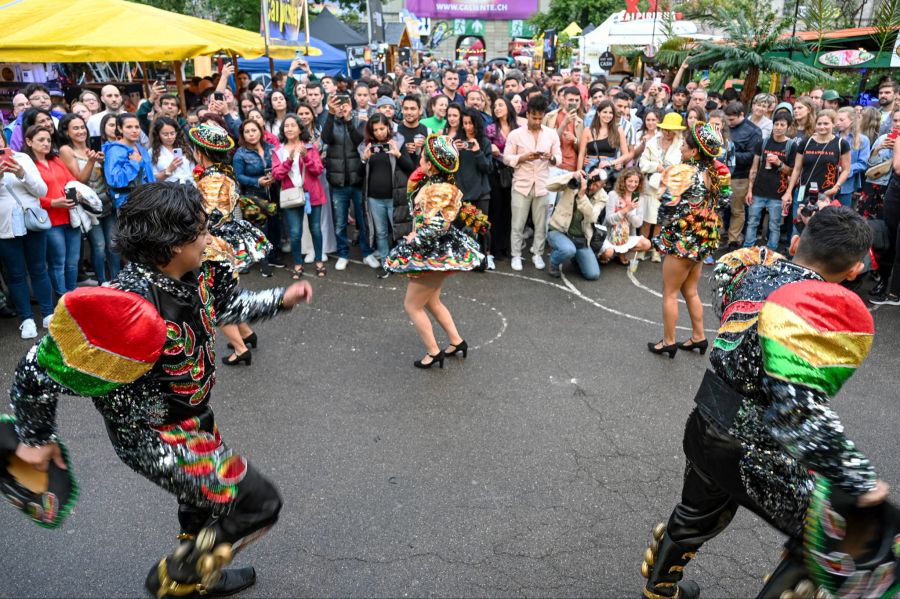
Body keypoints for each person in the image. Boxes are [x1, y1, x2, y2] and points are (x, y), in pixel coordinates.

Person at [8, 181, 313, 598]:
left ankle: (199, 576)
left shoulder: (197, 272)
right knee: (258, 503)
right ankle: (180, 575)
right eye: (201, 233)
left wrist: (282, 298)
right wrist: (36, 439)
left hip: (196, 418)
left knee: (202, 503)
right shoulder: (125, 307)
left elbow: (225, 308)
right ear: (172, 246)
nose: (209, 239)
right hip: (151, 438)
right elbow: (35, 371)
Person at [640, 207, 885, 598]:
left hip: (705, 423)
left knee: (696, 514)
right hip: (757, 450)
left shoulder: (752, 273)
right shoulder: (818, 309)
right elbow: (797, 409)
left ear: (794, 243)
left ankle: (660, 589)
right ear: (854, 270)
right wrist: (855, 477)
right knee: (830, 537)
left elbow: (728, 272)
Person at [383, 135, 483, 368]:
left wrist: (413, 240)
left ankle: (433, 352)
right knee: (431, 301)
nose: (419, 159)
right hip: (435, 249)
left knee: (412, 305)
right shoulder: (432, 183)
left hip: (432, 251)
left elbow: (436, 226)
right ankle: (457, 342)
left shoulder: (440, 189)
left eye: (423, 157)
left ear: (430, 164)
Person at [188, 124, 268, 366]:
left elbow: (208, 216)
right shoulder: (224, 174)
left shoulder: (212, 179)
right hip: (226, 243)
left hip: (213, 247)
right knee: (226, 295)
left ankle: (241, 348)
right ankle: (246, 333)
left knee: (215, 302)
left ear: (201, 153)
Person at [649, 122, 730, 358]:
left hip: (683, 239)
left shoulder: (684, 171)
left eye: (684, 144)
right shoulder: (718, 172)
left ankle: (668, 341)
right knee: (691, 290)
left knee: (670, 292)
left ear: (695, 151)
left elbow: (666, 207)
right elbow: (724, 203)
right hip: (705, 238)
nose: (681, 147)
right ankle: (698, 336)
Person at [0, 128, 53, 338]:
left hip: (32, 221)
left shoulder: (23, 158)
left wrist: (21, 173)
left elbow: (42, 191)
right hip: (5, 226)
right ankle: (26, 318)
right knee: (15, 274)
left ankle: (48, 313)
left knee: (39, 268)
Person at [57, 114, 119, 284]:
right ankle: (102, 282)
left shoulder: (96, 146)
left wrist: (105, 162)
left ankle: (117, 280)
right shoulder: (66, 150)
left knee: (113, 244)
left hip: (106, 201)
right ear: (67, 132)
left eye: (82, 127)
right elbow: (79, 179)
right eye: (75, 128)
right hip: (88, 207)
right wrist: (92, 160)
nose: (80, 131)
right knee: (99, 246)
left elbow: (108, 177)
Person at [503, 94, 562, 272]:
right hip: (521, 184)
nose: (537, 121)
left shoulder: (551, 134)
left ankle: (537, 254)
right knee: (517, 224)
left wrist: (550, 157)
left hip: (543, 185)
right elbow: (506, 158)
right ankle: (515, 255)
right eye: (534, 117)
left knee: (540, 225)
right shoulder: (515, 135)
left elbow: (558, 159)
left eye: (540, 117)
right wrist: (523, 157)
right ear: (527, 114)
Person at [322, 93, 380, 271]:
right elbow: (326, 139)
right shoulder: (330, 121)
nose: (341, 108)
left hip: (357, 180)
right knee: (340, 223)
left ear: (351, 106)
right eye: (338, 105)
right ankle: (343, 254)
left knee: (363, 220)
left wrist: (348, 120)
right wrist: (331, 115)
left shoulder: (359, 122)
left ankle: (367, 252)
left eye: (344, 105)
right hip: (337, 182)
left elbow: (359, 141)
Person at [24, 125, 82, 297]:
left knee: (73, 262)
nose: (46, 143)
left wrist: (76, 192)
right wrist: (53, 203)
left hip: (70, 216)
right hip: (50, 220)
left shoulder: (55, 159)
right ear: (29, 141)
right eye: (41, 140)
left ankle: (72, 297)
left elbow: (71, 180)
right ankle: (63, 299)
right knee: (58, 262)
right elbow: (28, 196)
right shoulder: (28, 165)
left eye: (48, 140)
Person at [358, 113, 415, 279]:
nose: (379, 132)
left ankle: (403, 262)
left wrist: (397, 153)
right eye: (375, 130)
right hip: (374, 199)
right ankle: (386, 263)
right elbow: (359, 175)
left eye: (382, 128)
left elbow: (410, 168)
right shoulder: (366, 146)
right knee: (381, 233)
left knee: (400, 231)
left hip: (395, 197)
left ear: (389, 127)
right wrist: (364, 159)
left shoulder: (398, 141)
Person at [782, 110, 852, 227]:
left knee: (821, 229)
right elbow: (797, 168)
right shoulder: (806, 142)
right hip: (803, 191)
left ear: (833, 124)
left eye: (826, 123)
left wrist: (836, 186)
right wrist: (789, 192)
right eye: (819, 124)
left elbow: (846, 169)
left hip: (826, 193)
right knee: (798, 225)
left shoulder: (841, 144)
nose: (822, 127)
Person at [744, 111, 796, 250]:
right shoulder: (763, 143)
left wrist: (779, 163)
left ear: (788, 127)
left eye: (782, 125)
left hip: (778, 193)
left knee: (775, 225)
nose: (778, 127)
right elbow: (754, 168)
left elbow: (792, 171)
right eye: (776, 124)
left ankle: (771, 252)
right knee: (752, 222)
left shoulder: (791, 146)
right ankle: (747, 249)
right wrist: (749, 190)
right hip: (758, 191)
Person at [232, 119, 278, 278]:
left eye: (254, 130)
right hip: (253, 195)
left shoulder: (271, 148)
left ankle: (273, 257)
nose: (251, 134)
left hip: (273, 192)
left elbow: (279, 166)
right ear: (243, 135)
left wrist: (274, 174)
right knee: (261, 230)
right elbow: (238, 176)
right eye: (247, 132)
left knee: (275, 226)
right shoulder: (240, 153)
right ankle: (264, 264)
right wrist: (257, 181)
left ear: (261, 131)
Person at [638, 112, 684, 263]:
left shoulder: (681, 145)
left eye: (671, 130)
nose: (667, 132)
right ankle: (642, 247)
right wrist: (655, 166)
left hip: (667, 188)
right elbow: (642, 164)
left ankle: (655, 249)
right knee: (646, 219)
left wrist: (670, 171)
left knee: (659, 220)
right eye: (665, 129)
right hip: (650, 186)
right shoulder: (652, 142)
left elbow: (683, 167)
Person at [454, 108, 493, 270]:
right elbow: (449, 167)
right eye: (465, 123)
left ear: (477, 124)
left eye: (471, 123)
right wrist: (453, 151)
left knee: (482, 228)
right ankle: (464, 259)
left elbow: (488, 168)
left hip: (481, 193)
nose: (468, 127)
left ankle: (483, 259)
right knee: (461, 229)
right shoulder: (457, 141)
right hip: (462, 193)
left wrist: (477, 152)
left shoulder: (484, 143)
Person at [724, 102, 763, 248]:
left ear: (741, 115)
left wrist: (729, 156)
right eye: (727, 119)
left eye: (732, 120)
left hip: (740, 176)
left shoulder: (753, 131)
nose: (729, 123)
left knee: (737, 209)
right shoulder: (724, 126)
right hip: (721, 174)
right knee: (719, 208)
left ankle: (733, 239)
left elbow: (753, 156)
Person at [870, 127, 900, 305]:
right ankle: (883, 282)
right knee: (888, 239)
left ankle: (895, 292)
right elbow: (898, 168)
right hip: (896, 193)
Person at [601, 167, 653, 266]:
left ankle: (621, 252)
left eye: (636, 182)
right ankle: (603, 254)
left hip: (627, 235)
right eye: (630, 181)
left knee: (647, 244)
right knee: (608, 253)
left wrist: (627, 210)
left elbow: (638, 224)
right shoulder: (614, 195)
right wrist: (625, 210)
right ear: (624, 181)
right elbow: (609, 220)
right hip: (610, 235)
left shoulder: (638, 197)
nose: (633, 184)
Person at [486, 97, 516, 262]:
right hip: (496, 174)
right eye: (495, 106)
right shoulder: (490, 129)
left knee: (510, 211)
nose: (497, 108)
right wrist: (490, 147)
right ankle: (495, 248)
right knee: (496, 210)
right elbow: (485, 145)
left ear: (508, 107)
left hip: (514, 173)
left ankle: (506, 247)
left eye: (500, 105)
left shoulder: (517, 128)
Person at [577, 100, 629, 185]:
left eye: (610, 113)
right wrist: (579, 172)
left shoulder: (618, 130)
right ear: (598, 113)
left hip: (609, 169)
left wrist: (612, 162)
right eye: (605, 112)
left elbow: (626, 154)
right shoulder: (588, 130)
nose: (608, 115)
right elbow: (581, 154)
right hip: (590, 168)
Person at [834, 106, 871, 208]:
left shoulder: (862, 140)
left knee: (843, 216)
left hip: (847, 185)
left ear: (852, 120)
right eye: (837, 119)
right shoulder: (832, 137)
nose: (838, 122)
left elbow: (863, 163)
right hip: (828, 181)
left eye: (841, 120)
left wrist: (845, 169)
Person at [150, 117, 195, 185]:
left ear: (176, 132)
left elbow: (194, 170)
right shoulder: (152, 152)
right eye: (165, 134)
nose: (169, 137)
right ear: (158, 135)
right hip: (168, 190)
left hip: (189, 187)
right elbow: (152, 178)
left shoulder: (186, 147)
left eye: (172, 133)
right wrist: (168, 170)